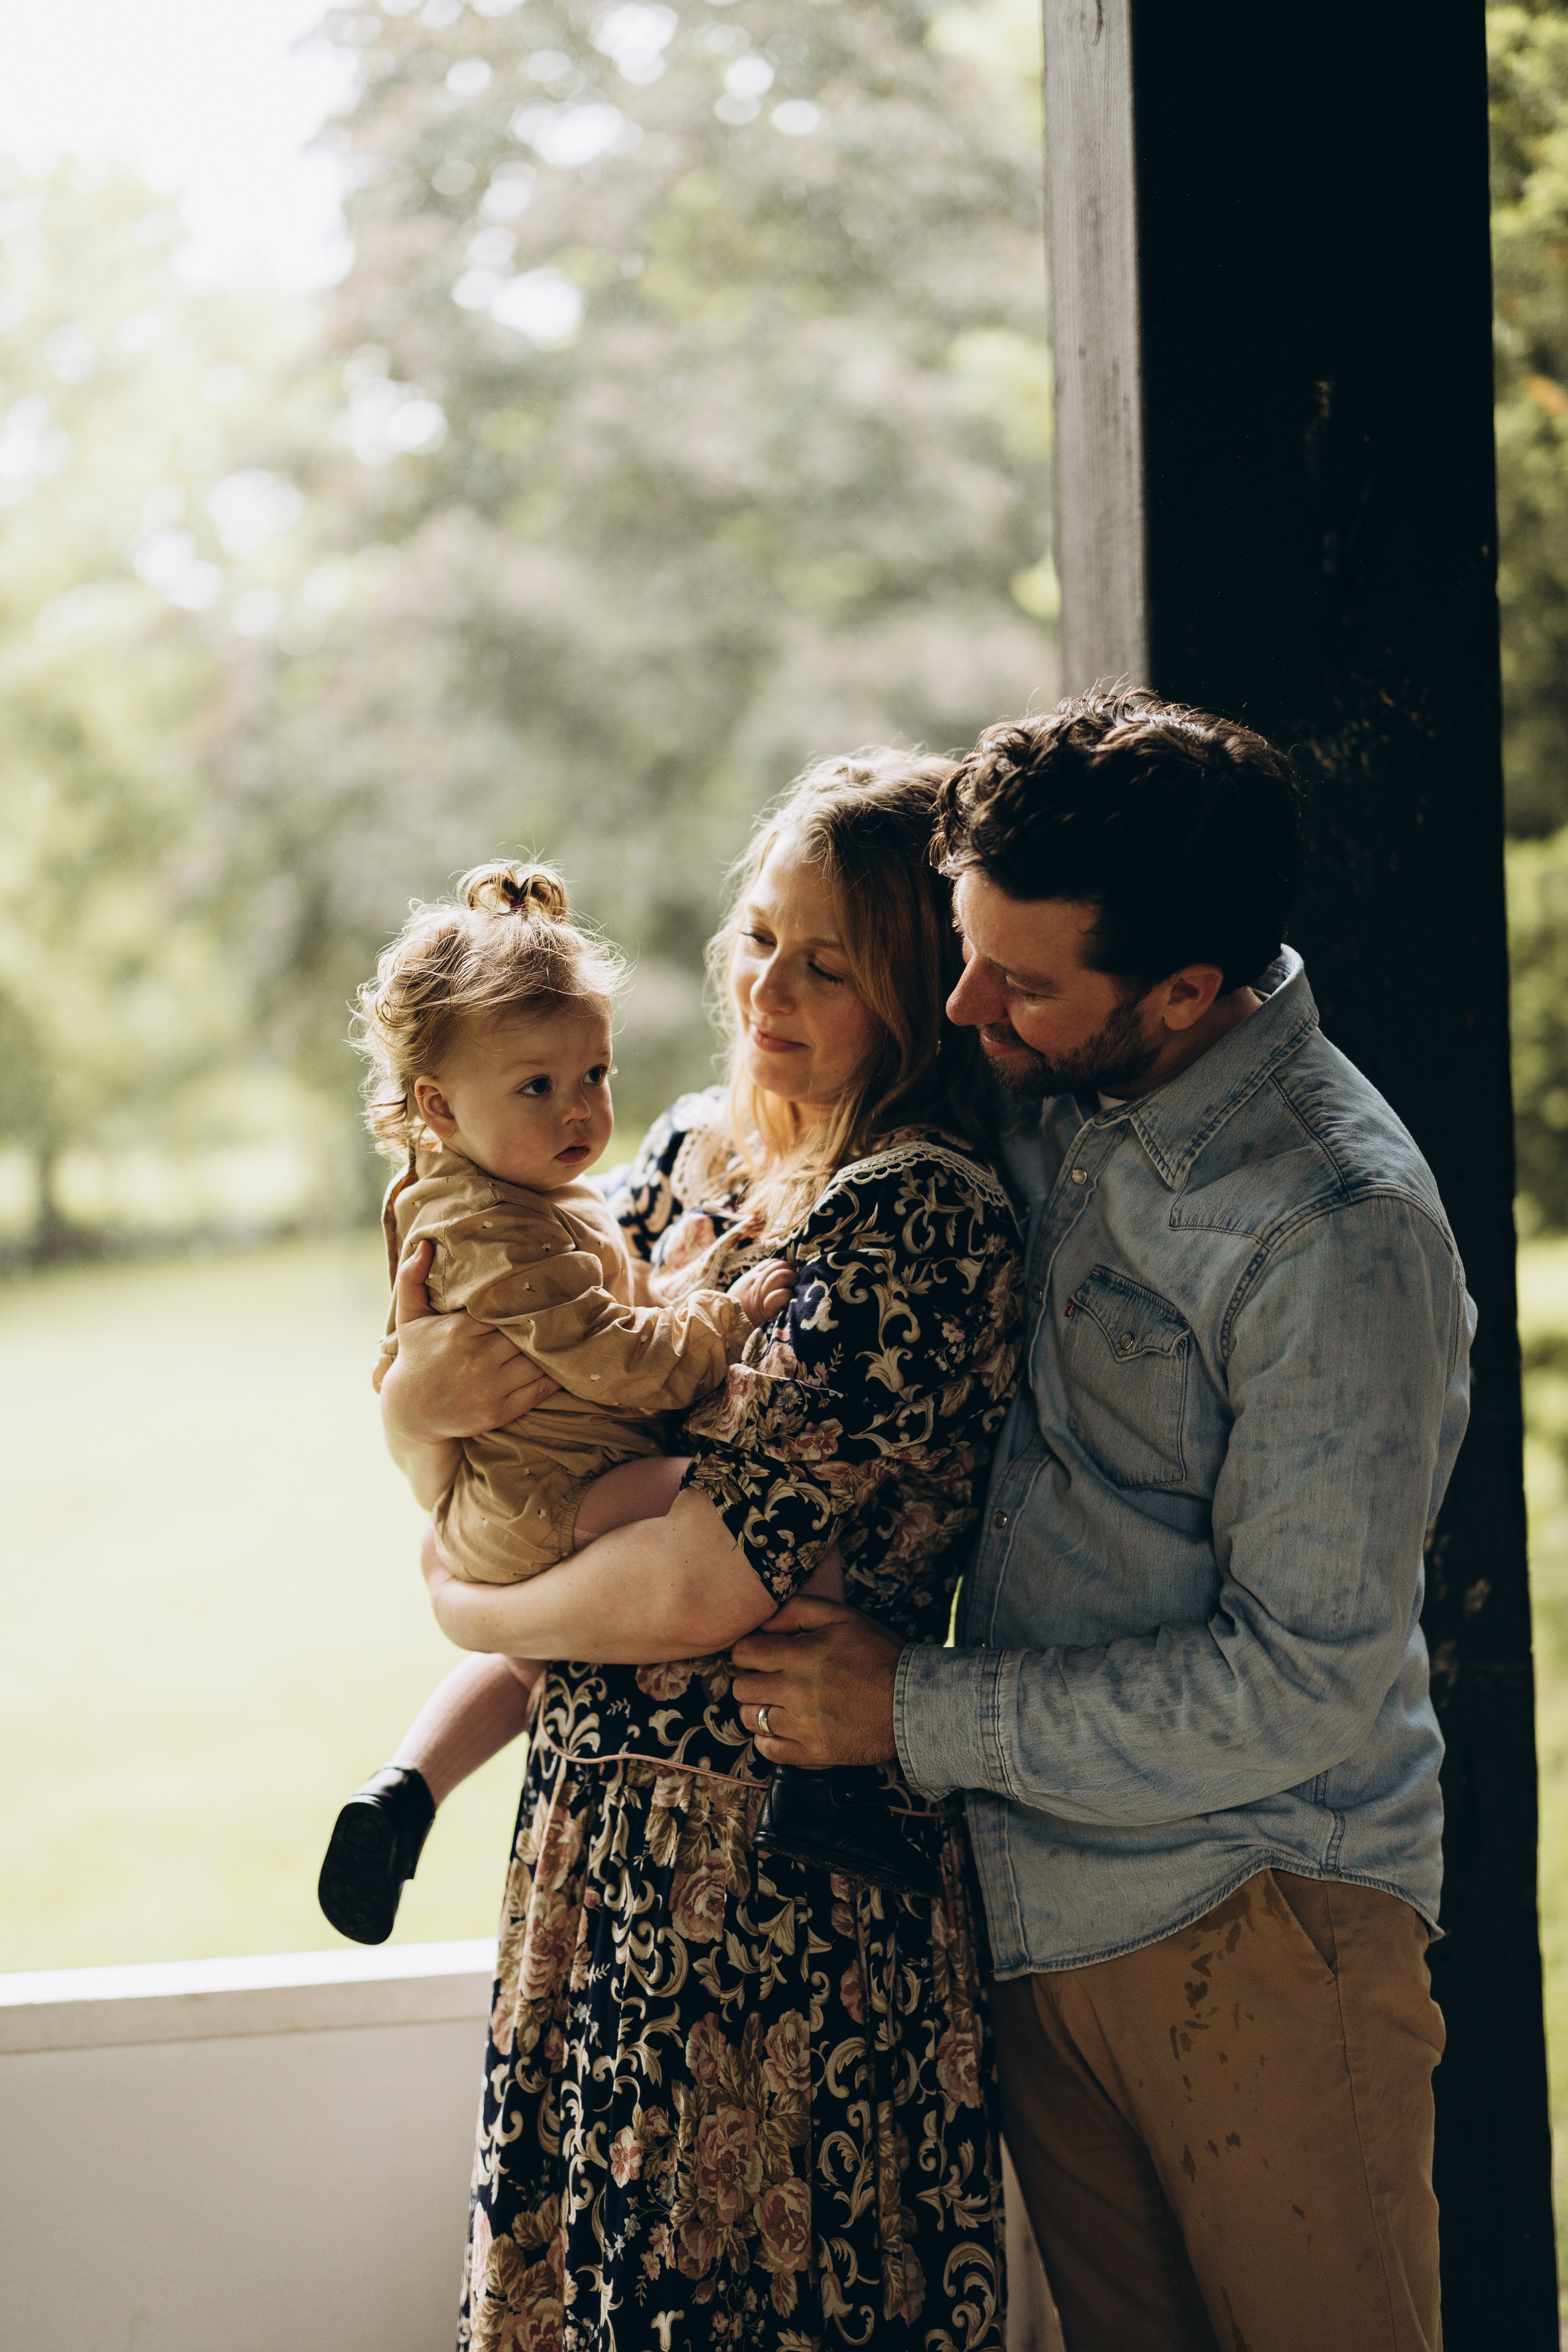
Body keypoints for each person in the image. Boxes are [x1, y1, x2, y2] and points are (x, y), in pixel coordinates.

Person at [730, 693, 1470, 2352]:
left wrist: (905, 1710)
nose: (966, 999)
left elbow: (1298, 1685)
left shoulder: (1335, 1226)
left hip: (1261, 1922)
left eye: (1020, 979)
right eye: (963, 950)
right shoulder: (1039, 1073)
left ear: (1187, 995)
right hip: (1037, 1917)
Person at [381, 752, 1024, 2350]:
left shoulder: (918, 1220)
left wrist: (464, 1599)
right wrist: (411, 1415)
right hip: (598, 1857)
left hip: (771, 1896)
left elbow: (696, 1578)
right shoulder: (669, 1158)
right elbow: (505, 1451)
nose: (769, 990)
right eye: (755, 938)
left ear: (919, 993)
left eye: (830, 966)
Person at [316, 859, 798, 1944]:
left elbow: (601, 1308)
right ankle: (826, 1761)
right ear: (438, 1105)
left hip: (514, 1494)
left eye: (595, 1073)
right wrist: (720, 1316)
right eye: (538, 1087)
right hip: (542, 1498)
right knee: (724, 1509)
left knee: (542, 1657)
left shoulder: (513, 1185)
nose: (582, 1110)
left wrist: (678, 1276)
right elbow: (626, 1361)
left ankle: (408, 1790)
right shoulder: (496, 1228)